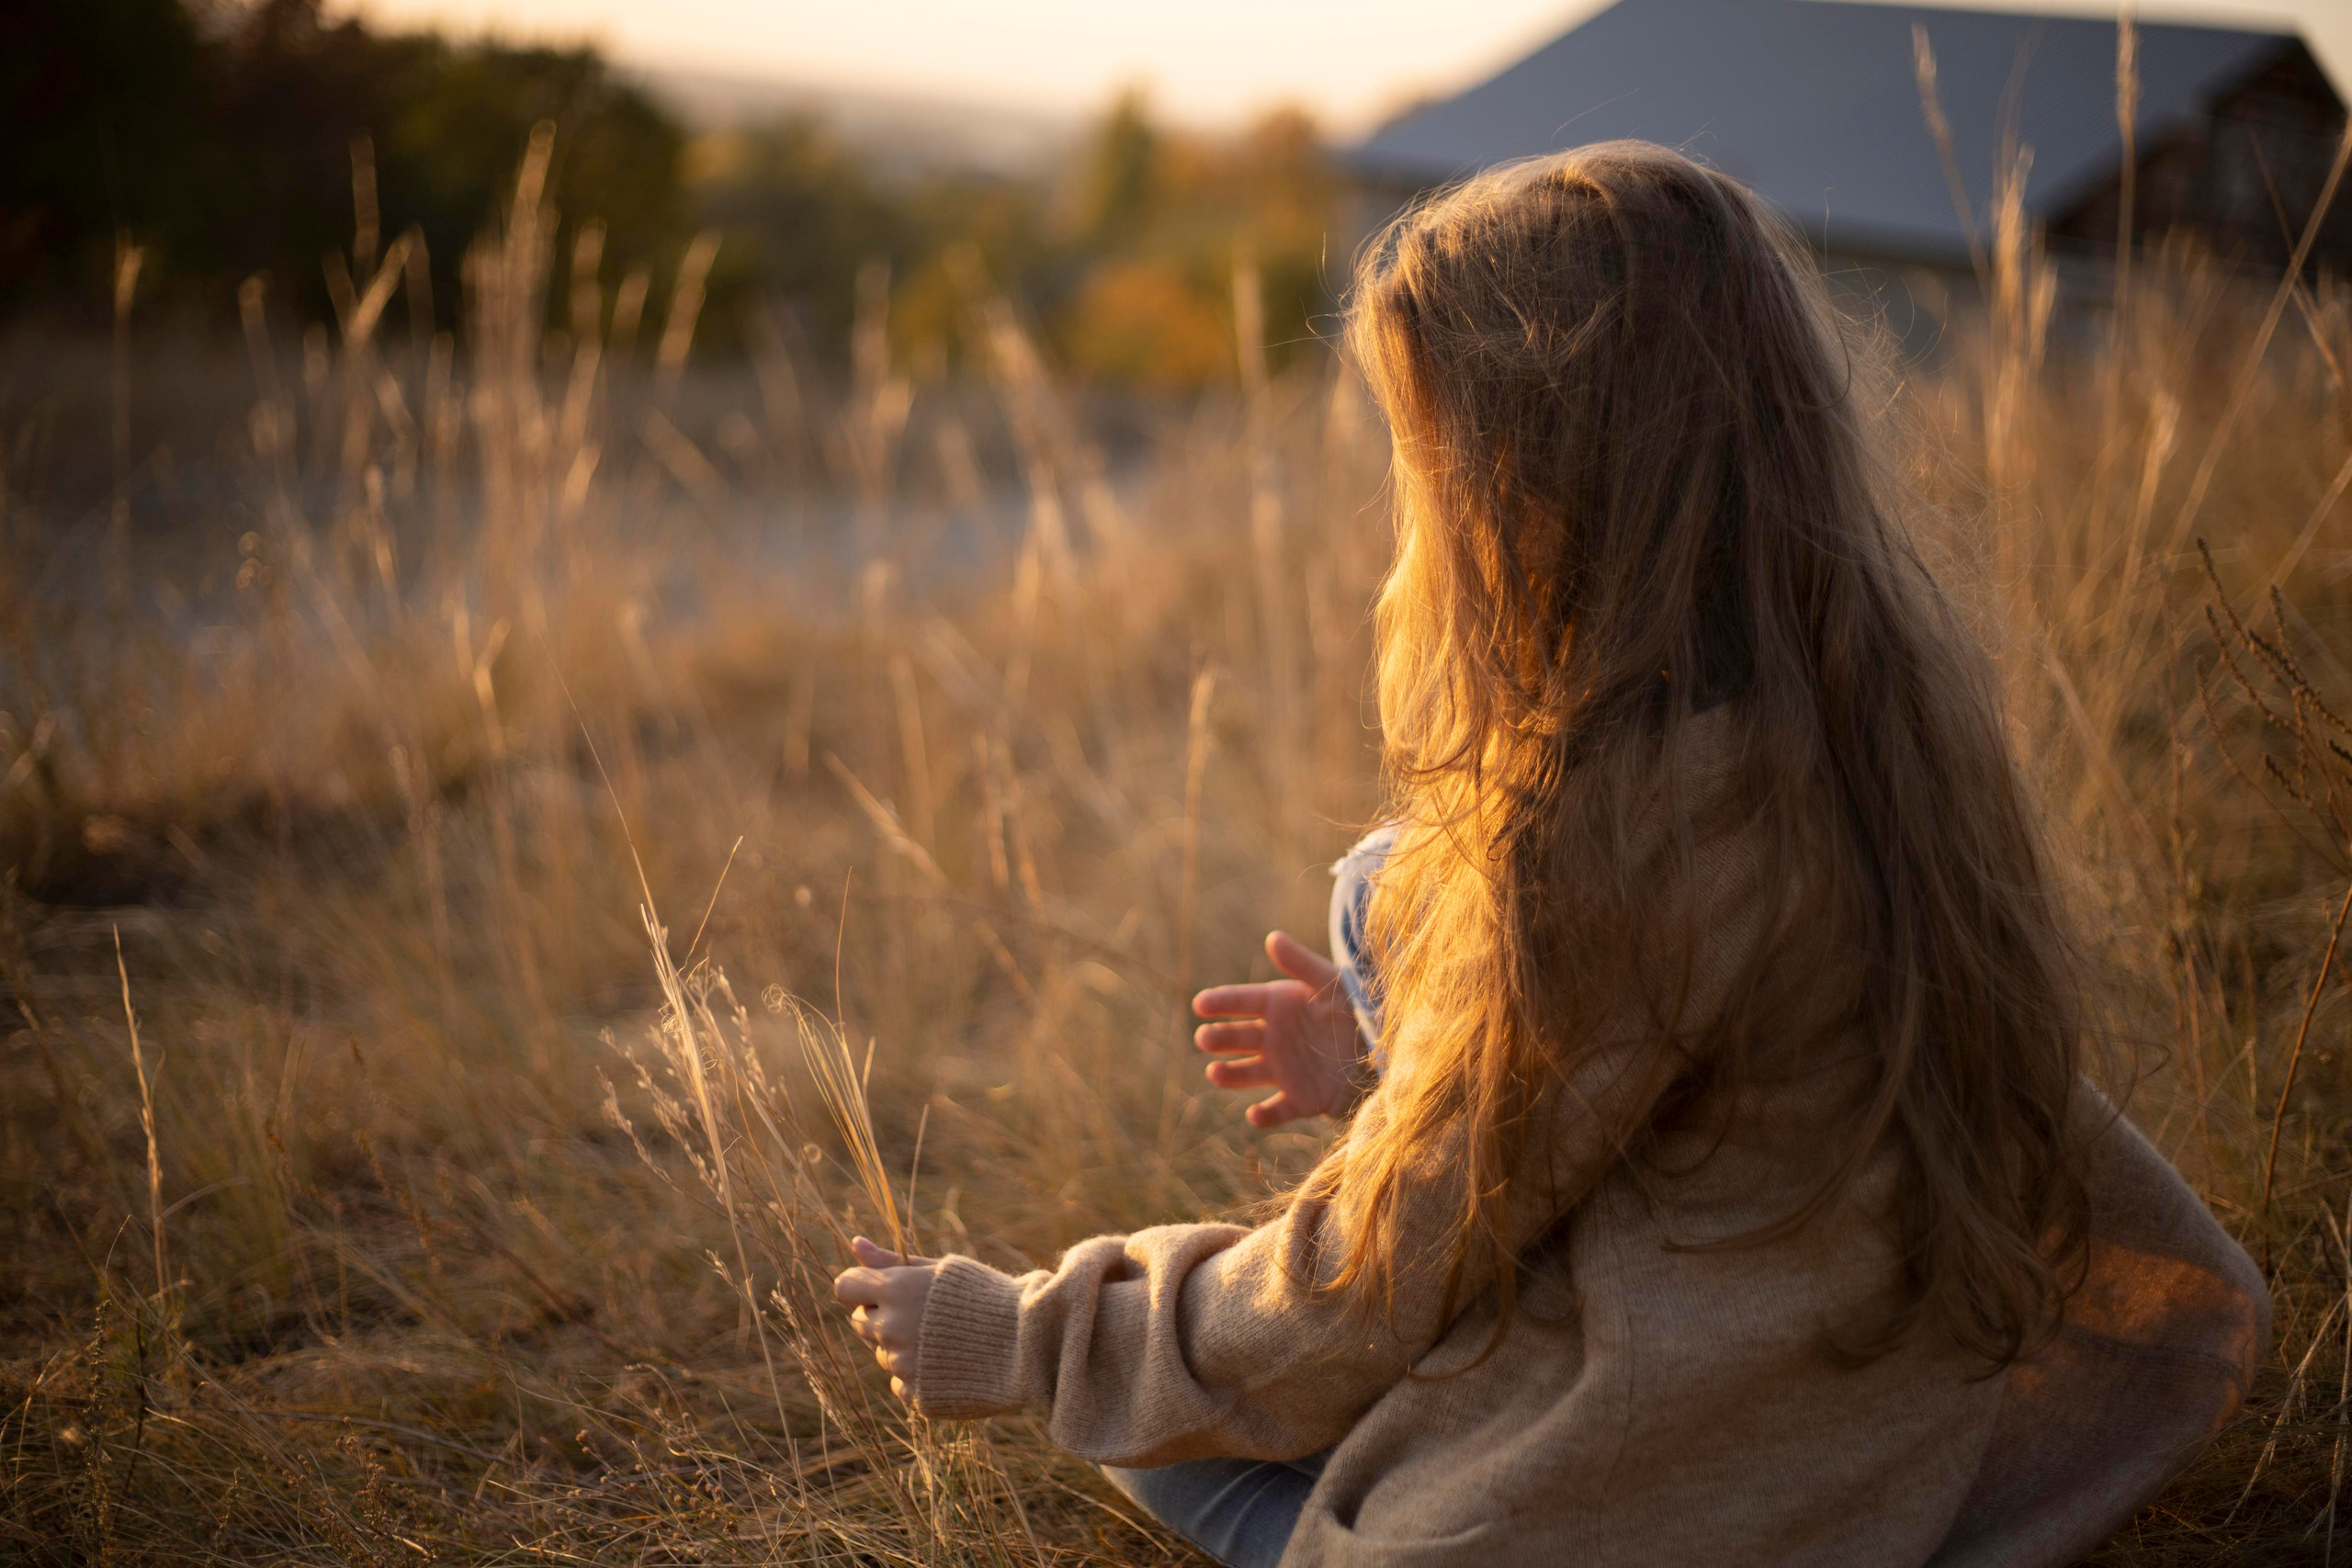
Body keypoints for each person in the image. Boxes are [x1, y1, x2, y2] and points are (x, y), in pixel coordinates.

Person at [832, 141, 2269, 1567]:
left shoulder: (1611, 843)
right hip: (1849, 1461)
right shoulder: (1876, 742)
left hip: (1632, 1506)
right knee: (1384, 885)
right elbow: (1724, 1131)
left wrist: (1025, 1333)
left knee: (1149, 1432)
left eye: (1430, 463)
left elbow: (1363, 1282)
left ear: (1532, 486)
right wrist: (1398, 1078)